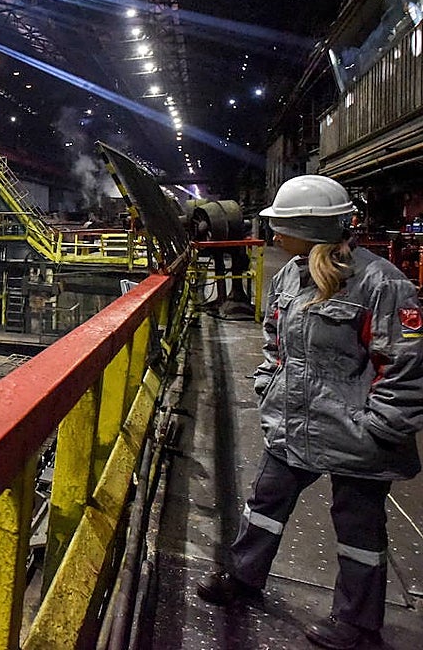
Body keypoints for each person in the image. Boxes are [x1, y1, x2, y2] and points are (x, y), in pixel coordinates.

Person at [196, 174, 423, 649]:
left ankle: (358, 624)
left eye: (283, 224)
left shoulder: (380, 283)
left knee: (359, 530)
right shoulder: (289, 275)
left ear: (310, 227)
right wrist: (268, 385)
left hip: (356, 433)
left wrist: (380, 426)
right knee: (264, 504)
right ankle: (243, 576)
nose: (275, 233)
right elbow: (274, 340)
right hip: (293, 420)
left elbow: (405, 364)